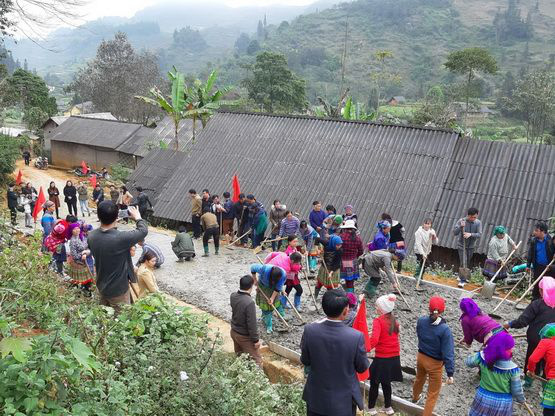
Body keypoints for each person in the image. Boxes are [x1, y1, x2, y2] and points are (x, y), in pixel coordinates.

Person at [300, 289, 370, 416]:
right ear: (345, 311)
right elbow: (362, 367)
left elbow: (305, 360)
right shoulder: (355, 337)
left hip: (316, 398)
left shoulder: (310, 330)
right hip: (343, 402)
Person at [87, 202, 148, 309]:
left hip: (101, 285)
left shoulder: (91, 236)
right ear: (117, 217)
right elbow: (143, 231)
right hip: (118, 290)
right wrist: (137, 217)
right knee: (122, 319)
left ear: (98, 216)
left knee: (104, 316)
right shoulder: (121, 238)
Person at [504, 276, 555, 389]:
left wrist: (510, 324)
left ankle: (528, 381)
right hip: (552, 342)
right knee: (549, 362)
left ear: (542, 290)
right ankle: (546, 387)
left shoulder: (537, 304)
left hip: (536, 340)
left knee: (532, 358)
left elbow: (523, 321)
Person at [412, 296, 455, 416]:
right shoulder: (445, 329)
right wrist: (450, 373)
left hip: (421, 356)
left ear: (429, 308)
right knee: (432, 393)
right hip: (435, 364)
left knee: (419, 379)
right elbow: (448, 353)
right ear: (442, 311)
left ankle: (415, 397)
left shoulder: (421, 321)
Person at [465, 331, 525, 415]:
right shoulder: (513, 369)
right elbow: (516, 390)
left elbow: (468, 362)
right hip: (502, 404)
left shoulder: (482, 357)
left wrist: (481, 352)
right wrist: (521, 400)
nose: (512, 349)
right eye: (510, 347)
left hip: (483, 398)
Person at [367, 294, 403, 416]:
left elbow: (375, 340)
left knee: (374, 383)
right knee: (387, 383)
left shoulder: (378, 321)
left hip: (382, 358)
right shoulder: (394, 321)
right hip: (394, 357)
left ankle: (371, 408)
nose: (375, 307)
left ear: (382, 308)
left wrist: (366, 348)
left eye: (377, 306)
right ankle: (388, 407)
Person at [230, 275, 262, 367]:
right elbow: (251, 324)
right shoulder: (249, 302)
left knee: (240, 357)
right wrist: (255, 340)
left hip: (234, 332)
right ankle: (259, 381)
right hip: (244, 336)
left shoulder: (233, 296)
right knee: (257, 361)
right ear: (251, 286)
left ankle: (240, 376)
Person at [250, 263, 287, 334]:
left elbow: (278, 288)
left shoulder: (283, 275)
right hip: (263, 286)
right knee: (265, 307)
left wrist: (272, 298)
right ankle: (268, 324)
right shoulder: (264, 269)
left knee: (276, 302)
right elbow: (253, 268)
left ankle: (282, 315)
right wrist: (255, 279)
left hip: (274, 289)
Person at [528, 323, 555, 416]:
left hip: (554, 379)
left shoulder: (546, 342)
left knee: (549, 410)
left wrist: (531, 370)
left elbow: (532, 359)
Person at [453, 207, 482, 287]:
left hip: (471, 246)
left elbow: (479, 234)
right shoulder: (461, 221)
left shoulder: (478, 223)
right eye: (472, 217)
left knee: (467, 261)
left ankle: (461, 275)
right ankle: (462, 281)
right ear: (468, 215)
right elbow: (455, 233)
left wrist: (470, 234)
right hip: (462, 245)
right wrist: (460, 227)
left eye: (475, 217)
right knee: (464, 261)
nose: (474, 219)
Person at [527, 222, 555, 300]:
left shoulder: (551, 240)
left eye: (536, 230)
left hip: (549, 268)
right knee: (537, 285)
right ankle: (534, 303)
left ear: (542, 231)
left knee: (548, 286)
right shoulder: (534, 241)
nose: (534, 232)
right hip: (538, 267)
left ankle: (548, 303)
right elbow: (530, 253)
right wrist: (528, 265)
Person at [67, 222, 94, 295]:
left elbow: (87, 245)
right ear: (71, 231)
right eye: (75, 229)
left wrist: (87, 251)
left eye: (78, 228)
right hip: (81, 263)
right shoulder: (73, 241)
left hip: (87, 260)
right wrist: (83, 253)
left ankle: (87, 292)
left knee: (88, 279)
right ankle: (85, 293)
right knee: (83, 281)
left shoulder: (81, 237)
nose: (77, 230)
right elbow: (74, 255)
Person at [314, 234, 343, 299]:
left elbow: (337, 263)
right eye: (337, 245)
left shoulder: (340, 251)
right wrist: (317, 249)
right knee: (319, 283)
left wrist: (331, 272)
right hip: (324, 267)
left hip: (334, 269)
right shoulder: (327, 243)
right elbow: (317, 239)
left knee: (330, 286)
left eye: (340, 245)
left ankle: (329, 299)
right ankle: (315, 296)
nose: (339, 246)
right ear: (333, 243)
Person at [338, 220, 364, 293]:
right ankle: (350, 295)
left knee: (341, 278)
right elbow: (361, 251)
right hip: (352, 261)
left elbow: (337, 249)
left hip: (342, 260)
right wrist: (355, 256)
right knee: (350, 280)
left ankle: (342, 293)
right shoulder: (358, 238)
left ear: (345, 228)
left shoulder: (341, 237)